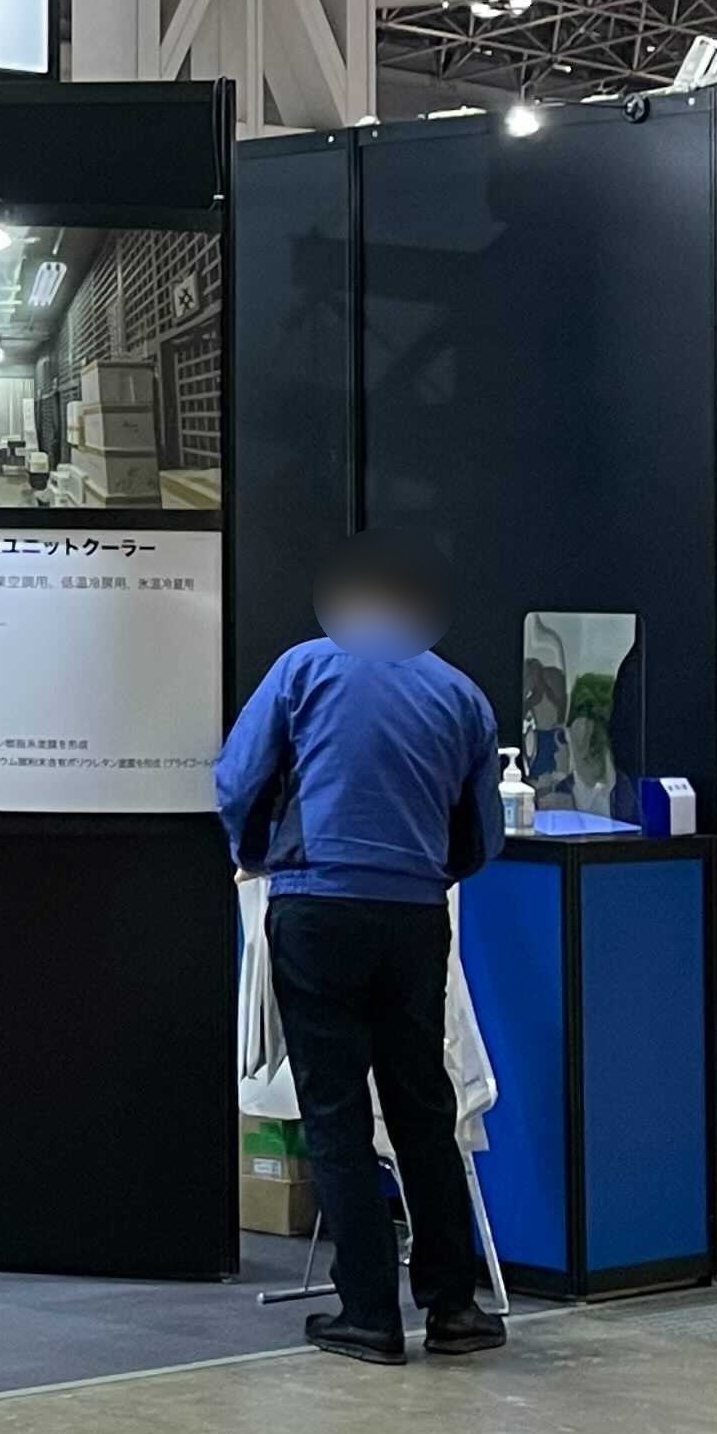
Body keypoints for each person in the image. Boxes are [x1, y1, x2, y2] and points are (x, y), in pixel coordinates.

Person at [216, 530, 508, 1366]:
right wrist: (427, 872)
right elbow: (481, 833)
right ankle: (455, 1309)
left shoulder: (303, 671)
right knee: (424, 1110)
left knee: (337, 1114)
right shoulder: (460, 694)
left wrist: (257, 852)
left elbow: (237, 780)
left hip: (316, 909)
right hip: (414, 919)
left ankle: (369, 1314)